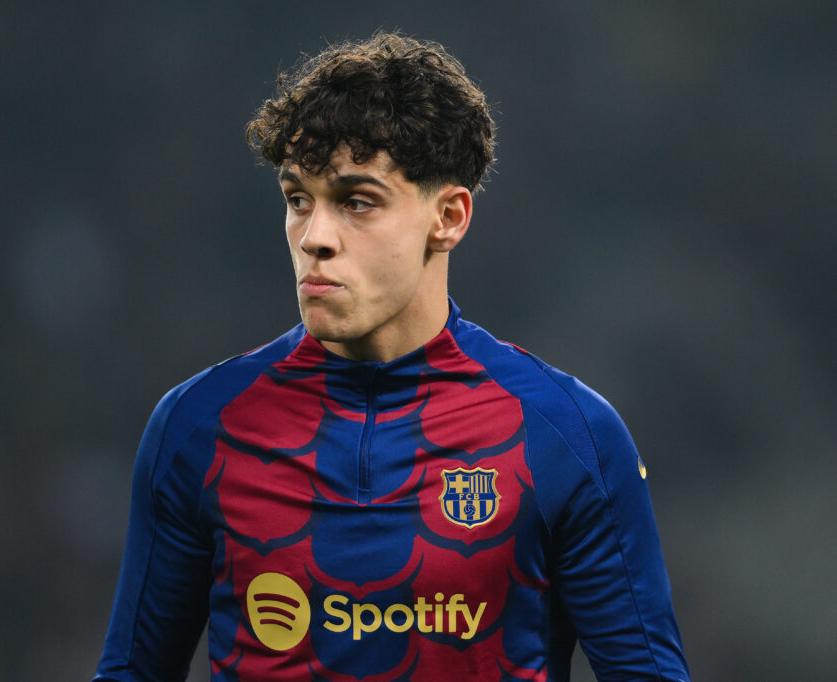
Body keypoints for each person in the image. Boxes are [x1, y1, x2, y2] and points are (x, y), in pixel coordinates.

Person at [93, 32, 689, 681]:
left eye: (356, 202)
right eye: (298, 199)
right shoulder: (197, 428)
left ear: (450, 217)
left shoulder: (569, 437)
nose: (314, 238)